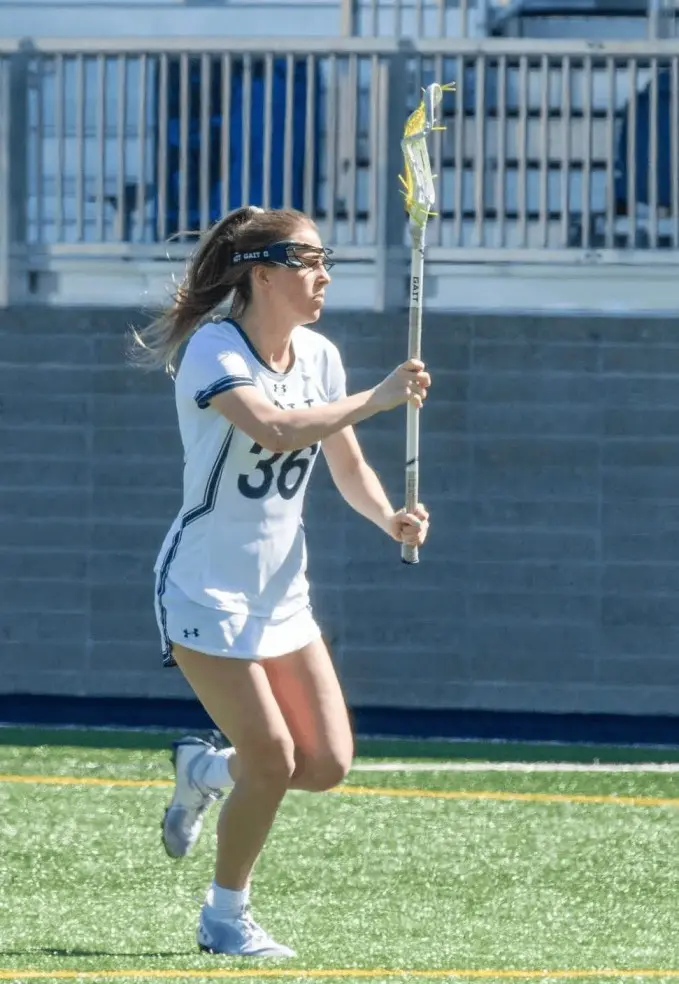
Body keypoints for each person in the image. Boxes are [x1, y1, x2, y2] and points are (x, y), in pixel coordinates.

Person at [132, 205, 431, 959]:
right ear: (263, 273)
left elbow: (345, 462)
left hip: (280, 592)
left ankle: (203, 769)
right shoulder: (213, 350)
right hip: (205, 588)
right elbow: (275, 428)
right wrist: (380, 395)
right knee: (272, 759)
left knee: (323, 764)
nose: (324, 274)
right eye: (310, 261)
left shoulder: (320, 356)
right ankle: (223, 917)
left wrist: (388, 516)